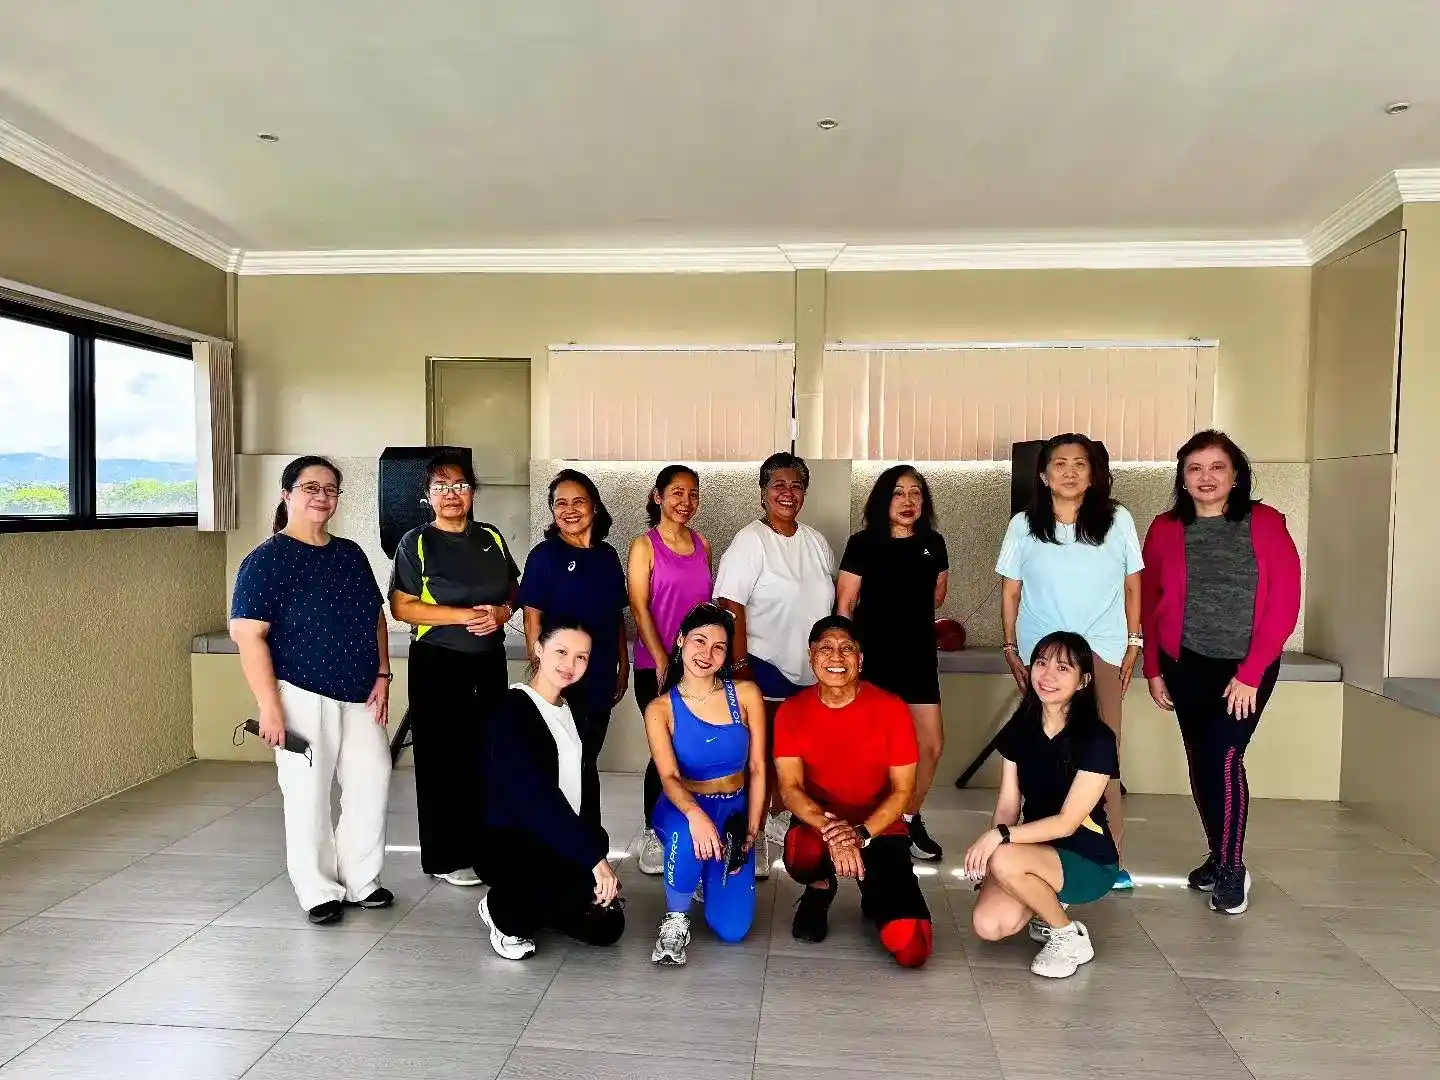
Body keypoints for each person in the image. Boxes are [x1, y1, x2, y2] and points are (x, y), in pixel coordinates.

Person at [1141, 430, 1300, 916]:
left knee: (1224, 757)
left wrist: (1251, 673)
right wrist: (1152, 667)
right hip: (1183, 663)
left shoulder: (1265, 522)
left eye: (1217, 467)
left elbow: (1284, 602)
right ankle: (1219, 852)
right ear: (1182, 479)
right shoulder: (1165, 527)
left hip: (1245, 668)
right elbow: (1148, 604)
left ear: (1235, 476)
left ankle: (1232, 868)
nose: (1206, 477)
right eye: (1195, 468)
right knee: (1199, 758)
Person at [229, 456, 393, 925]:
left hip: (359, 693)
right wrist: (269, 708)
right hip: (298, 693)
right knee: (307, 793)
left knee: (373, 778)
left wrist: (382, 674)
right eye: (310, 487)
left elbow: (375, 617)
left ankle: (362, 880)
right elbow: (249, 635)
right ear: (287, 495)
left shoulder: (350, 554)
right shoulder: (266, 560)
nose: (322, 497)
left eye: (331, 489)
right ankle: (318, 889)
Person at [995, 432, 1142, 889]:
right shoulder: (1024, 524)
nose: (1070, 471)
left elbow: (1133, 584)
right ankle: (1033, 843)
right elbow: (1011, 591)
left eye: (1081, 463)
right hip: (1044, 653)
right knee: (1041, 747)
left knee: (1103, 750)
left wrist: (1134, 642)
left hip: (1101, 648)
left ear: (1094, 473)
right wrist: (1011, 648)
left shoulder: (1117, 520)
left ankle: (1109, 857)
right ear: (1043, 473)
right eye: (1060, 463)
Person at [389, 452, 519, 887]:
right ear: (428, 496)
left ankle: (484, 849)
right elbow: (402, 606)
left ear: (473, 492)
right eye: (441, 487)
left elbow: (513, 586)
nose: (451, 495)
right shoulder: (416, 542)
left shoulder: (491, 537)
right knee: (441, 759)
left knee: (487, 754)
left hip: (488, 661)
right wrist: (463, 616)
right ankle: (445, 857)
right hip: (438, 662)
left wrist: (502, 612)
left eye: (460, 485)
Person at [774, 616, 933, 968]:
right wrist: (834, 833)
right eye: (826, 648)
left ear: (860, 659)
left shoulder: (891, 708)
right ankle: (819, 889)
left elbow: (903, 791)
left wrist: (859, 835)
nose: (836, 656)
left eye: (847, 649)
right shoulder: (791, 711)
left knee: (912, 948)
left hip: (879, 827)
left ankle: (874, 890)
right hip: (821, 825)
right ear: (812, 656)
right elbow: (790, 789)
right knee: (801, 852)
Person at [966, 632, 1120, 979]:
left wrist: (999, 839)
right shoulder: (1020, 728)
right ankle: (1043, 904)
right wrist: (996, 844)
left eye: (1063, 668)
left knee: (1004, 853)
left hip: (1086, 858)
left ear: (1083, 681)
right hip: (1032, 848)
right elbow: (1008, 804)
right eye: (1041, 663)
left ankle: (1067, 936)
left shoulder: (1097, 739)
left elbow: (1067, 823)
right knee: (989, 924)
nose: (1047, 675)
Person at [715, 452, 836, 876]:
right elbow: (729, 604)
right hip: (764, 666)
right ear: (763, 492)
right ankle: (755, 834)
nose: (788, 493)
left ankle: (782, 820)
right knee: (761, 756)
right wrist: (741, 661)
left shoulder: (816, 542)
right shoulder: (751, 541)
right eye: (778, 485)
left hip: (810, 674)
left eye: (796, 485)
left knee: (796, 756)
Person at [477, 617, 625, 959]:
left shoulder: (574, 708)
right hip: (516, 841)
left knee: (607, 925)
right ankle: (499, 910)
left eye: (581, 657)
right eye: (561, 651)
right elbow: (535, 800)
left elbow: (585, 791)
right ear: (538, 649)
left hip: (561, 840)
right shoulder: (512, 711)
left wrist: (595, 852)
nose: (570, 665)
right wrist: (593, 861)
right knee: (531, 904)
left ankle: (547, 901)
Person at [837, 464, 950, 861]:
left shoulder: (933, 543)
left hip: (918, 659)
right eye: (898, 493)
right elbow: (845, 604)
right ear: (882, 500)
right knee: (871, 750)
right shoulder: (863, 543)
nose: (908, 501)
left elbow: (938, 595)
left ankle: (907, 818)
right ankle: (866, 824)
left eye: (915, 493)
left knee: (931, 745)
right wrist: (844, 659)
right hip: (873, 661)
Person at [644, 604, 766, 964]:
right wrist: (696, 815)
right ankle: (676, 916)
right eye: (699, 641)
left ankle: (703, 876)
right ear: (681, 640)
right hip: (685, 805)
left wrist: (752, 829)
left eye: (719, 647)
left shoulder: (745, 695)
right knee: (687, 832)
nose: (707, 653)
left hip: (735, 809)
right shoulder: (660, 708)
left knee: (732, 929)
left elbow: (758, 767)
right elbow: (668, 776)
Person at [628, 465, 714, 876]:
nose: (685, 502)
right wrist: (662, 657)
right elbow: (640, 606)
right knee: (663, 750)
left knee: (692, 750)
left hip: (699, 668)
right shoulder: (644, 545)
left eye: (693, 494)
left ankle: (684, 826)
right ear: (657, 496)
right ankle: (651, 832)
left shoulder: (703, 545)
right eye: (677, 493)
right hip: (653, 666)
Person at [518, 470, 629, 763]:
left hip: (602, 672)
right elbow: (532, 620)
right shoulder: (545, 556)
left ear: (594, 506)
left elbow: (615, 612)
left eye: (578, 502)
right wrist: (542, 675)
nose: (569, 510)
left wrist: (623, 664)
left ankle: (586, 811)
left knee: (587, 758)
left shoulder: (607, 555)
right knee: (562, 763)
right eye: (560, 503)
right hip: (562, 674)